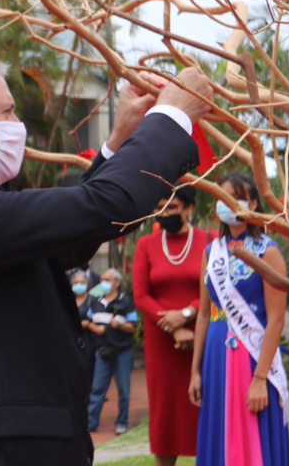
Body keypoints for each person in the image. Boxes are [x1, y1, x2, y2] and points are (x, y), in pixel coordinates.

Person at [0, 51, 212, 464]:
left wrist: (118, 142)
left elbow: (69, 239)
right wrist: (172, 118)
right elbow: (101, 208)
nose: (18, 127)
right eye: (8, 112)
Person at [189, 171, 289, 465]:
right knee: (219, 435)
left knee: (255, 431)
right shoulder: (211, 252)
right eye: (223, 197)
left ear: (254, 203)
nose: (228, 204)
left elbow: (276, 320)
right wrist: (195, 371)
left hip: (254, 359)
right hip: (215, 359)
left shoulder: (268, 252)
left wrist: (260, 379)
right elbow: (203, 315)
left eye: (236, 197)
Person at [132, 183, 211, 465]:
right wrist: (173, 325)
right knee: (164, 415)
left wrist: (188, 313)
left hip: (201, 337)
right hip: (162, 342)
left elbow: (216, 287)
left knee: (205, 407)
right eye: (158, 208)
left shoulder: (209, 240)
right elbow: (140, 295)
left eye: (171, 206)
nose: (163, 212)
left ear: (189, 208)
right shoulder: (146, 245)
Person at [87, 269, 138, 435]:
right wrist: (95, 327)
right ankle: (91, 422)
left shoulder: (125, 302)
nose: (103, 283)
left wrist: (120, 325)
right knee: (97, 389)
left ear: (116, 282)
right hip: (103, 351)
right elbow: (88, 322)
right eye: (102, 280)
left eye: (107, 280)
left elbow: (133, 327)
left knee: (124, 389)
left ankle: (122, 421)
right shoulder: (95, 300)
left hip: (122, 351)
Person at [71, 270, 96, 390]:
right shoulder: (69, 300)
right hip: (71, 341)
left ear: (87, 284)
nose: (78, 285)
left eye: (81, 282)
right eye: (76, 282)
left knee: (88, 370)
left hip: (89, 341)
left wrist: (84, 324)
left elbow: (93, 321)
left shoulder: (92, 301)